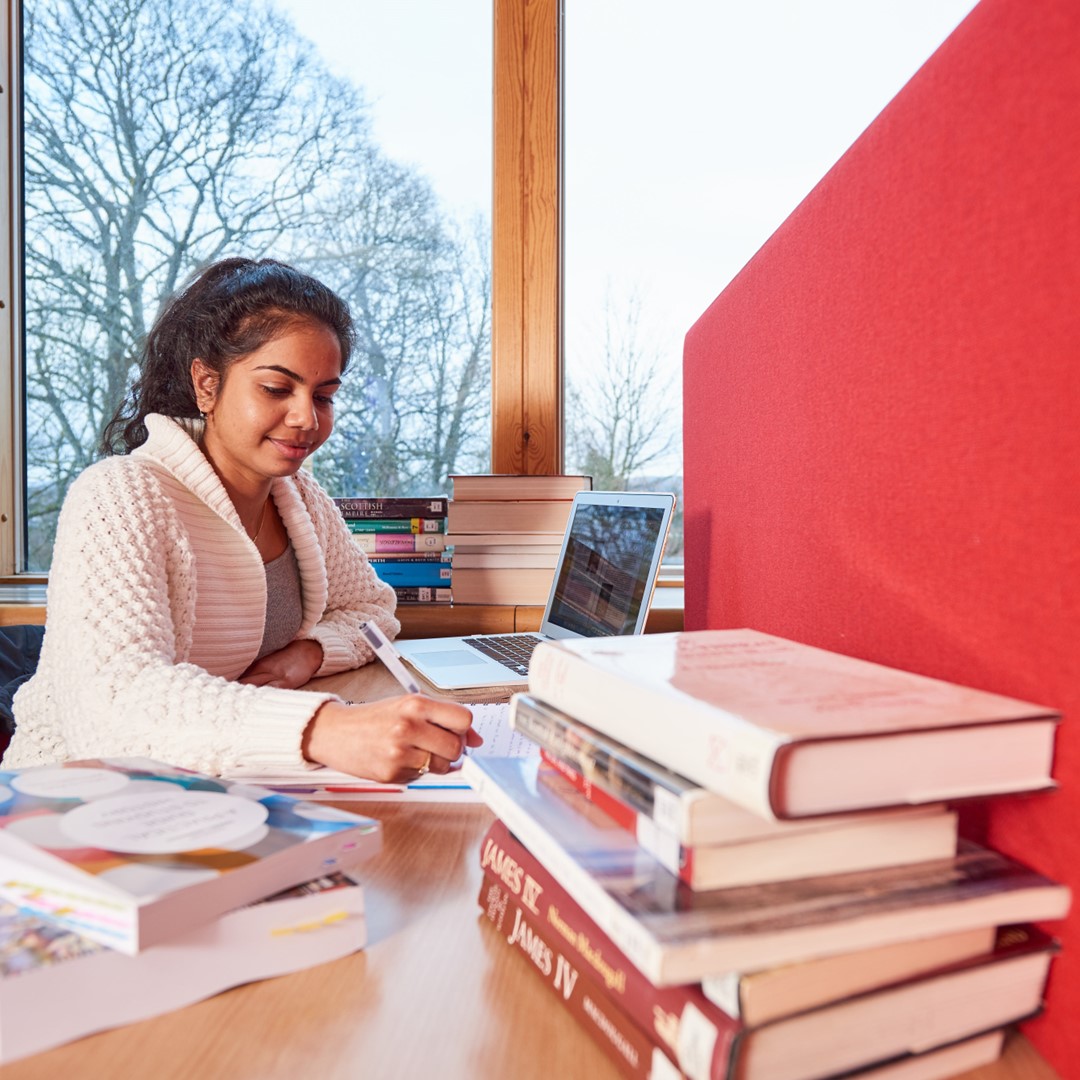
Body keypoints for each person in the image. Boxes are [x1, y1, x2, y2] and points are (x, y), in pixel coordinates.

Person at [4, 257, 480, 780]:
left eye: (324, 396)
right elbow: (114, 704)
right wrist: (321, 730)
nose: (307, 419)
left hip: (220, 782)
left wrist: (307, 655)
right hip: (73, 799)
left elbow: (370, 610)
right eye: (277, 389)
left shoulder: (299, 496)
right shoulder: (120, 495)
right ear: (206, 385)